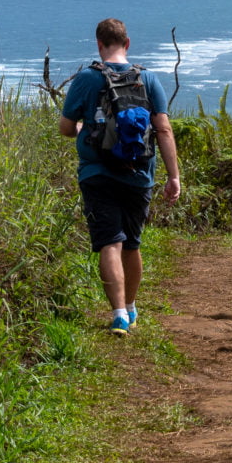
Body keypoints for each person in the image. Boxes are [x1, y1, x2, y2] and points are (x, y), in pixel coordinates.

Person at [59, 17, 181, 335]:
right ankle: (131, 307)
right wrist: (174, 177)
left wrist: (84, 128)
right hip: (139, 174)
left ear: (99, 45)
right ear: (127, 44)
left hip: (97, 173)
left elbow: (65, 129)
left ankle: (118, 315)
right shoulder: (148, 79)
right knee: (132, 244)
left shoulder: (86, 79)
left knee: (109, 243)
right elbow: (164, 129)